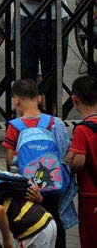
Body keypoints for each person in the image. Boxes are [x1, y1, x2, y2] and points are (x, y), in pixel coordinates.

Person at [3, 79, 71, 246]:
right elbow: (63, 152)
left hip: (29, 188)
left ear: (16, 101)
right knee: (55, 218)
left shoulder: (15, 126)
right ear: (39, 99)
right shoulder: (55, 123)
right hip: (54, 184)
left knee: (33, 220)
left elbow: (10, 160)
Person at [68, 75, 97, 246]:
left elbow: (78, 162)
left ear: (74, 99)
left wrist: (67, 158)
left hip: (91, 195)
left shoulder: (82, 130)